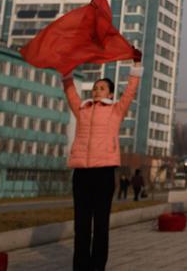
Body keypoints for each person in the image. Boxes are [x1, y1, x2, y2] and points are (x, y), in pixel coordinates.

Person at [63, 54, 142, 271]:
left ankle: (97, 266)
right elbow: (70, 92)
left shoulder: (116, 110)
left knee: (100, 225)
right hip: (81, 173)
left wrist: (136, 66)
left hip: (104, 173)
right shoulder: (82, 110)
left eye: (102, 88)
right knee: (81, 225)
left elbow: (130, 92)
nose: (97, 90)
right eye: (95, 87)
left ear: (110, 93)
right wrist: (67, 71)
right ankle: (80, 267)